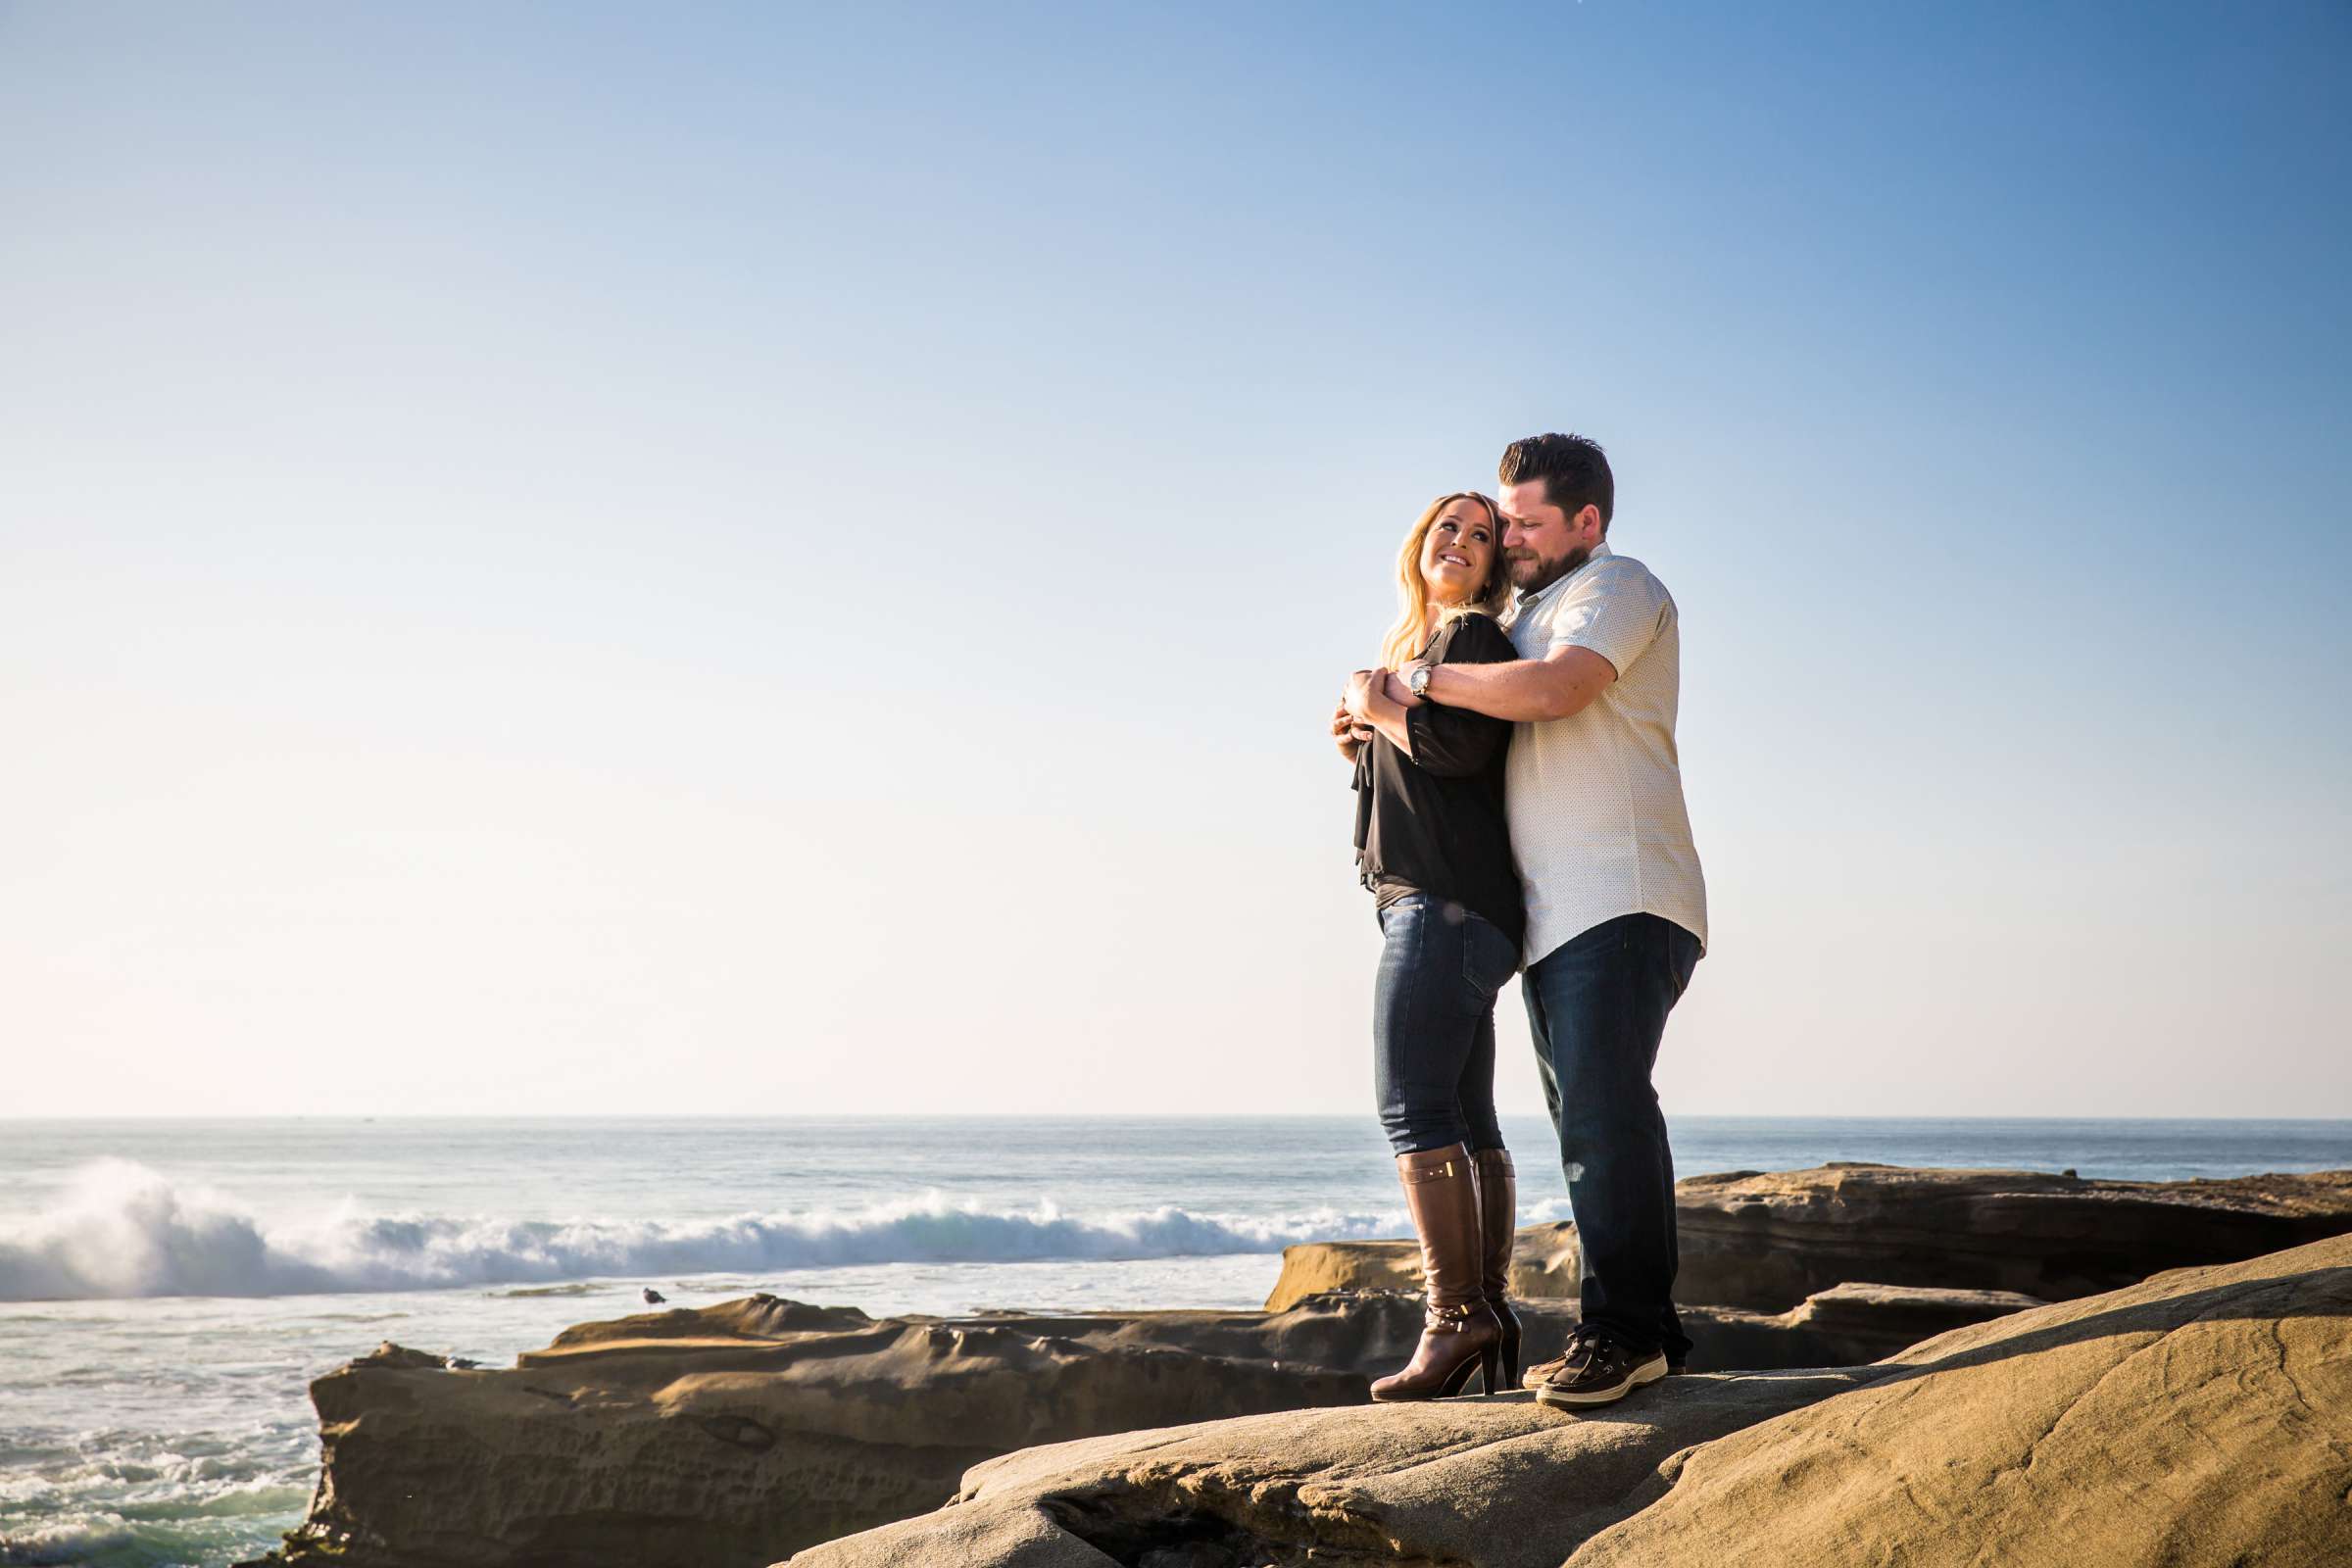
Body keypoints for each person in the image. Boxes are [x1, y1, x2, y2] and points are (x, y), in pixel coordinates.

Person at [1386, 433, 1707, 1410]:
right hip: (1556, 919)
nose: (1511, 537)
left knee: (1604, 1117)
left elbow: (1560, 689)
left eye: (1525, 521)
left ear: (1587, 522)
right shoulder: (1520, 617)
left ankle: (1624, 1333)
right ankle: (1642, 1330)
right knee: (1588, 1120)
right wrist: (1376, 704)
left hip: (1626, 894)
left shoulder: (1615, 587)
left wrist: (1419, 683)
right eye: (1504, 520)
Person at [1335, 491, 1528, 1400]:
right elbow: (1431, 770)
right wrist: (1365, 741)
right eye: (1448, 527)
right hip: (1463, 915)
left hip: (1440, 911)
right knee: (1464, 1116)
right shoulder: (1423, 655)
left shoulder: (1471, 644)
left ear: (1494, 566)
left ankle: (1457, 1319)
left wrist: (1380, 711)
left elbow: (1458, 760)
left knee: (1410, 1108)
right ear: (1419, 543)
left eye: (1483, 536)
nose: (1462, 542)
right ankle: (1488, 1309)